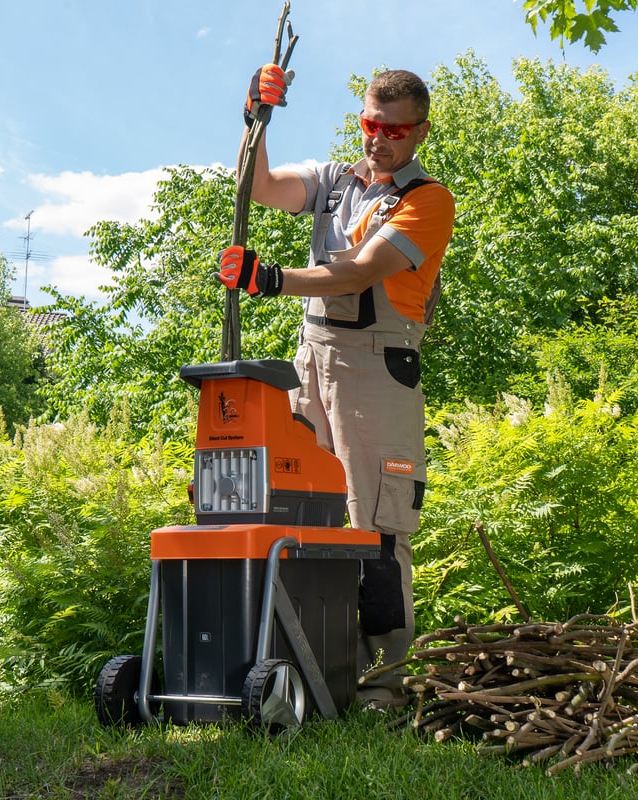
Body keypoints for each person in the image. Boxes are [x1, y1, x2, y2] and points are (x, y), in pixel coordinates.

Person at [217, 64, 455, 707]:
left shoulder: (428, 200)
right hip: (311, 359)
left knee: (375, 527)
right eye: (372, 125)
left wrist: (269, 279)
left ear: (420, 132)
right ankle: (316, 670)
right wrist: (254, 116)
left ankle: (385, 688)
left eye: (396, 130)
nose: (381, 140)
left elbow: (358, 273)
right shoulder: (332, 182)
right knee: (298, 507)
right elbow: (259, 185)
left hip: (377, 368)